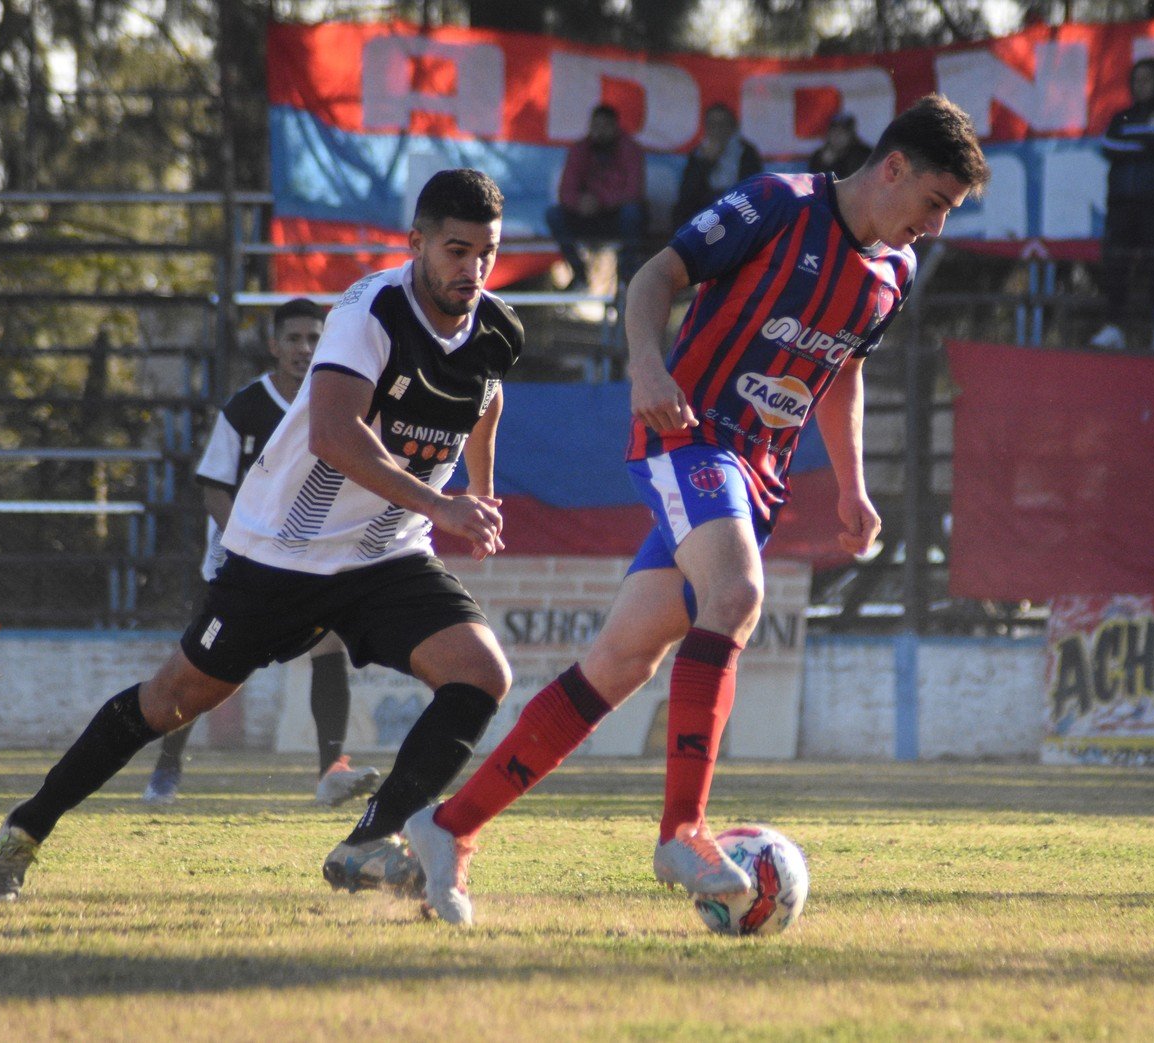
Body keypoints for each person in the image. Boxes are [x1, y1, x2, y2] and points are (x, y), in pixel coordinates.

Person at [403, 94, 991, 926]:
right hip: (690, 435)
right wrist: (646, 367)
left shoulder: (893, 274)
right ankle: (681, 831)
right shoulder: (778, 203)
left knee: (619, 661)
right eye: (933, 202)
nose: (933, 226)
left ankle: (447, 825)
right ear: (892, 167)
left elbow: (843, 373)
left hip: (757, 475)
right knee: (738, 597)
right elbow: (654, 276)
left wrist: (854, 484)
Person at [0, 169, 525, 902]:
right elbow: (333, 434)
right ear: (417, 242)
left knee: (481, 674)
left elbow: (485, 399)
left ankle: (370, 839)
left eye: (486, 253)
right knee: (171, 699)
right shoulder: (370, 311)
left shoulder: (495, 327)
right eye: (456, 250)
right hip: (280, 555)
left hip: (386, 555)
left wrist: (477, 497)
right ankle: (25, 827)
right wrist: (441, 501)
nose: (472, 269)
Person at [140, 299, 382, 808]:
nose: (304, 349)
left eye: (315, 339)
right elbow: (213, 488)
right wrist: (247, 544)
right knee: (203, 669)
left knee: (329, 648)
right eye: (294, 339)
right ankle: (167, 767)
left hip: (312, 560)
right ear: (274, 346)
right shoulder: (246, 407)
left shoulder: (340, 402)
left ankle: (329, 772)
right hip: (242, 566)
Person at [1090, 57, 1154, 353]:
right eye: (1137, 79)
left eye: (1148, 79)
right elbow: (1108, 145)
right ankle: (1114, 326)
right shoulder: (1122, 117)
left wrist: (1132, 144)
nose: (1142, 84)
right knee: (1115, 263)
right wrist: (1144, 146)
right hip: (1120, 203)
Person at [545, 104, 647, 291]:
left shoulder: (630, 149)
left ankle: (627, 277)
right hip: (586, 217)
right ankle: (579, 273)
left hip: (616, 218)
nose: (599, 132)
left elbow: (634, 191)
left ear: (615, 127)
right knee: (554, 215)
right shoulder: (580, 149)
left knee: (632, 213)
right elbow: (566, 191)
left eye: (605, 126)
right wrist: (579, 203)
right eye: (595, 126)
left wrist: (601, 202)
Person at [673, 103, 764, 231]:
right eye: (712, 124)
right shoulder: (698, 153)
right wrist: (706, 163)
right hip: (705, 208)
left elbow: (753, 187)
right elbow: (687, 192)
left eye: (722, 124)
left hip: (737, 205)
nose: (717, 130)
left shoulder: (746, 152)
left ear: (732, 127)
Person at [808, 111, 873, 180]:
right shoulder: (819, 156)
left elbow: (852, 181)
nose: (837, 136)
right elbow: (814, 183)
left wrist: (832, 164)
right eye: (834, 131)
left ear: (851, 135)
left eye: (842, 132)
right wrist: (824, 164)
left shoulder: (864, 153)